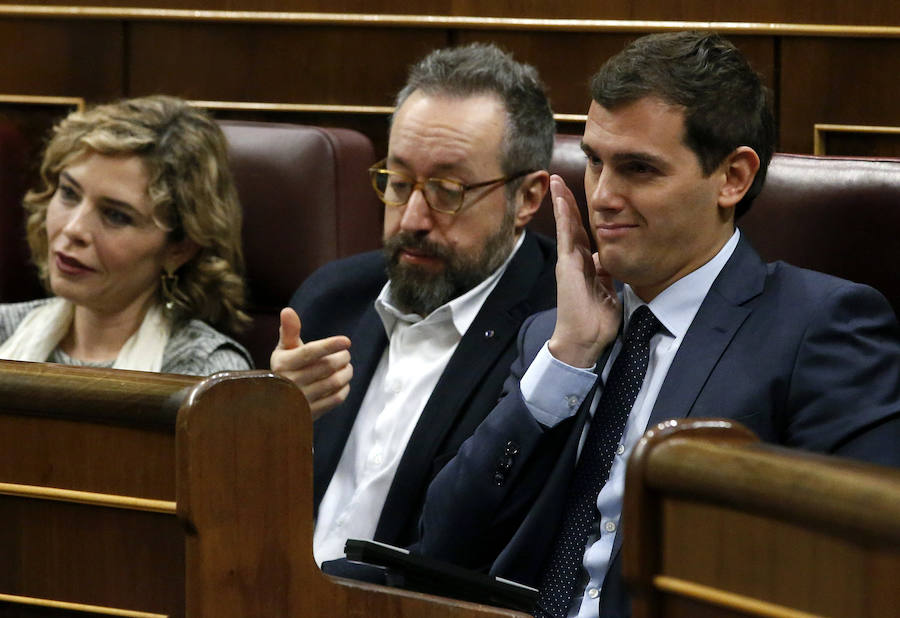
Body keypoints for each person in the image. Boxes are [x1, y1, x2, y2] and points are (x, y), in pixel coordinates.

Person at [418, 31, 900, 618]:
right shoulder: (554, 335)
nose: (602, 196)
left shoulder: (818, 327)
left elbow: (862, 570)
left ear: (733, 178)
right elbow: (441, 546)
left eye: (639, 169)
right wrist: (566, 359)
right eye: (594, 162)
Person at [270, 42, 557, 564]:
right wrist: (264, 419)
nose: (411, 220)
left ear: (528, 198)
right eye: (399, 183)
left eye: (447, 190)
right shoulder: (330, 299)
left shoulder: (558, 332)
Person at [0, 95, 253, 375]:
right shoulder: (4, 331)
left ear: (180, 248)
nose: (73, 229)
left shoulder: (206, 372)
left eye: (116, 216)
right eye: (69, 193)